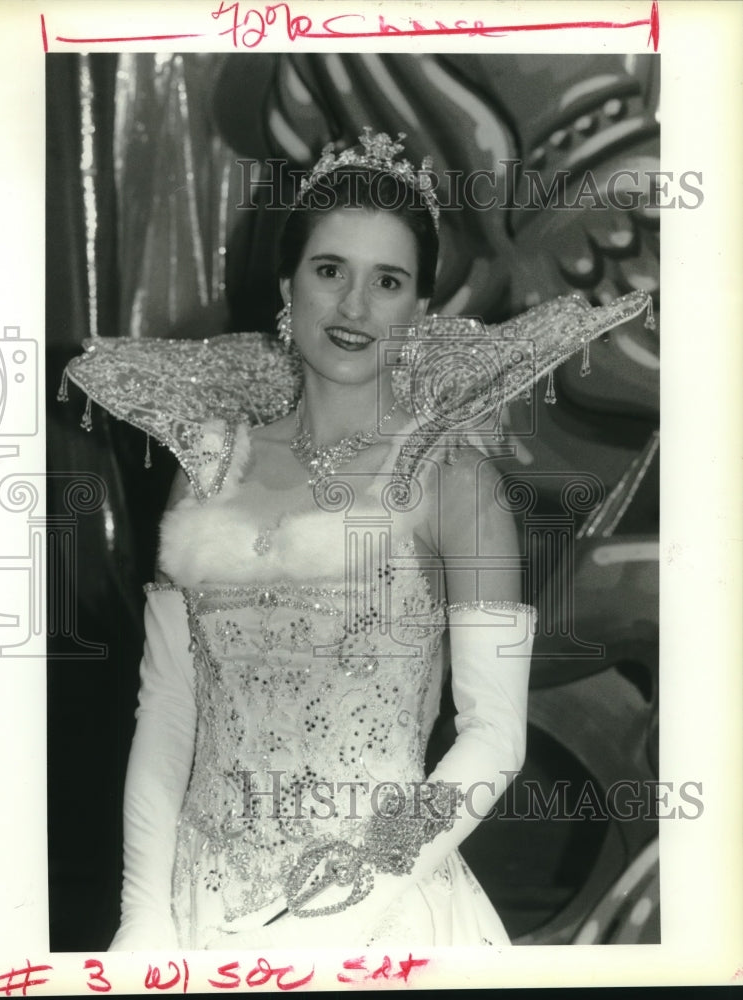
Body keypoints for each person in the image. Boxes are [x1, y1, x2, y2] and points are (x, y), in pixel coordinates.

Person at [63, 129, 651, 951]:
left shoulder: (455, 481)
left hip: (379, 910)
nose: (353, 306)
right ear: (287, 283)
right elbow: (165, 715)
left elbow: (492, 741)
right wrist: (142, 917)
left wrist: (345, 896)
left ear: (417, 311)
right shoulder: (205, 468)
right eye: (329, 270)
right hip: (198, 908)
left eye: (388, 281)